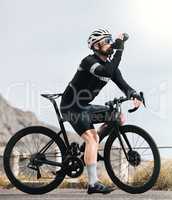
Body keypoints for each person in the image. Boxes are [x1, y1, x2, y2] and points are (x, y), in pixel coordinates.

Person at [60, 28, 142, 194]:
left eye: (111, 39)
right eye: (106, 40)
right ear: (96, 46)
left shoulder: (109, 66)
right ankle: (93, 184)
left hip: (84, 107)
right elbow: (106, 72)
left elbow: (122, 84)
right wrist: (120, 49)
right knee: (92, 138)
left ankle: (87, 148)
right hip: (70, 106)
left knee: (117, 117)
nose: (110, 43)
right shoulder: (89, 62)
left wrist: (133, 94)